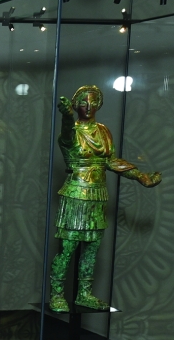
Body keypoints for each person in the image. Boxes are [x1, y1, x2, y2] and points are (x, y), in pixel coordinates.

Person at [48, 85, 161, 313]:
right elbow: (67, 134)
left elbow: (110, 161)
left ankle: (84, 294)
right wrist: (67, 116)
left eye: (93, 102)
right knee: (68, 247)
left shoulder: (103, 131)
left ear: (99, 105)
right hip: (75, 194)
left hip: (98, 195)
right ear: (75, 106)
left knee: (92, 247)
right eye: (83, 102)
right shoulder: (72, 131)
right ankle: (57, 295)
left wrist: (140, 176)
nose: (88, 107)